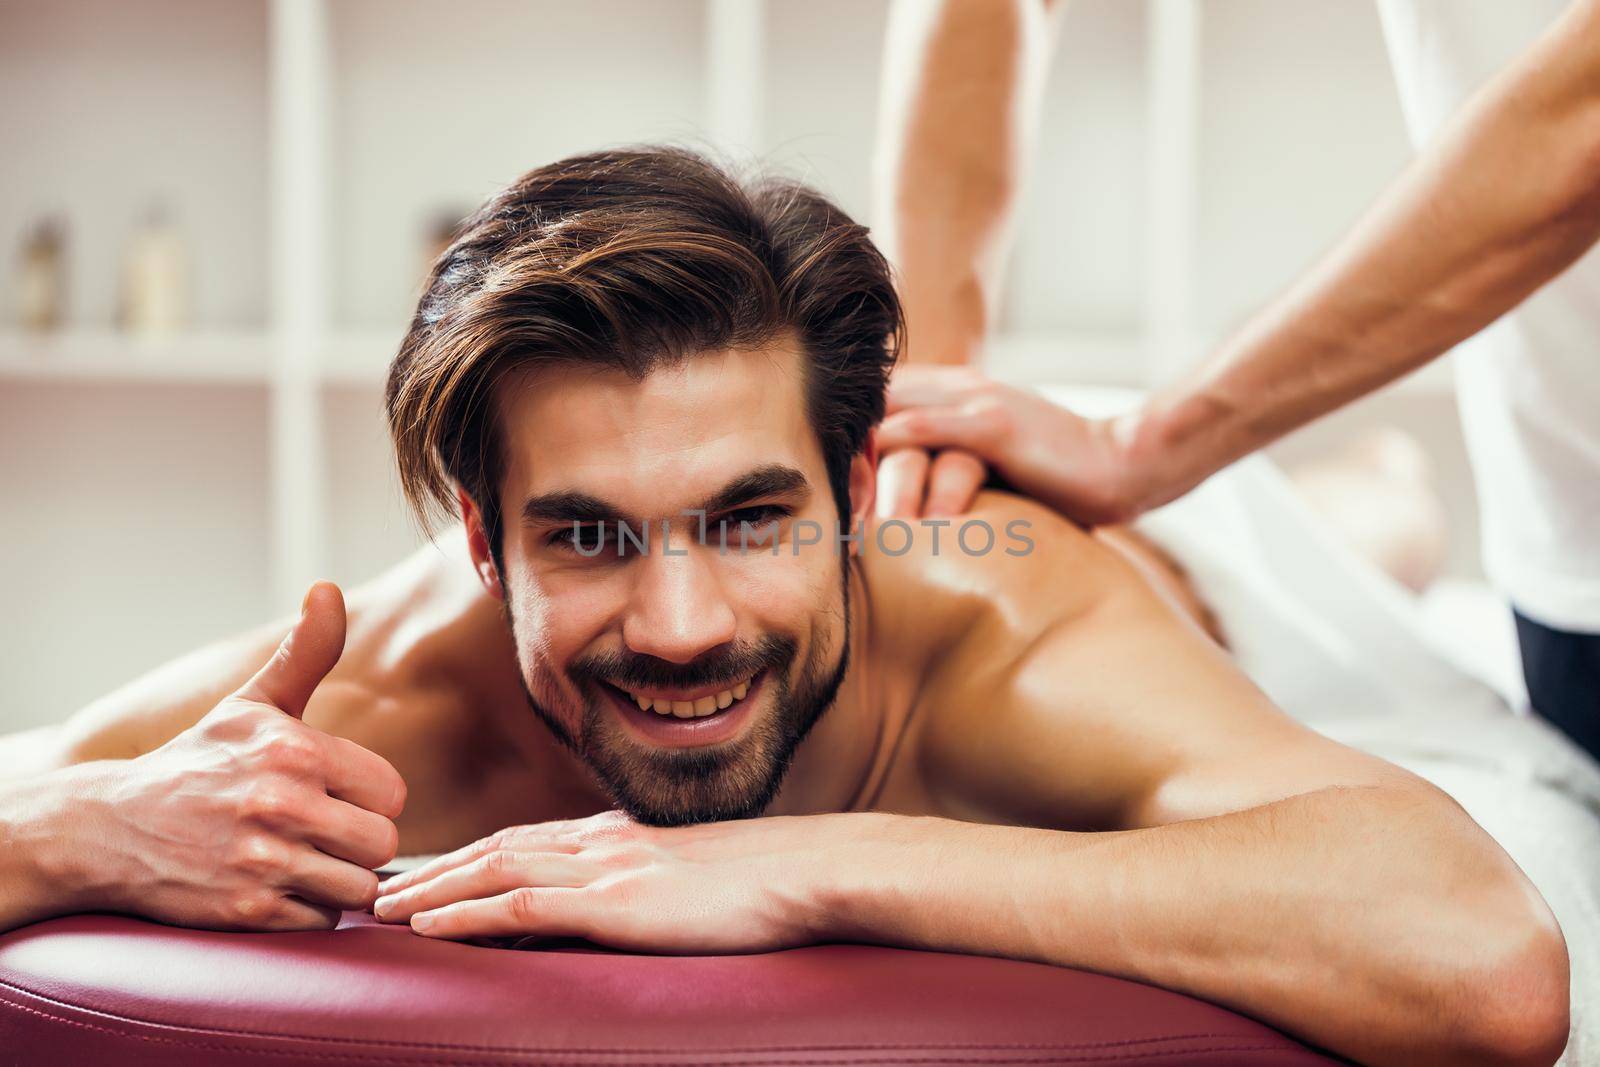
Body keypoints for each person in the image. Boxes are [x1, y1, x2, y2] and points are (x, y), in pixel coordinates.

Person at [0, 149, 1568, 1067]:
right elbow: (42, 785)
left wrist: (801, 864)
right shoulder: (374, 698)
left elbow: (1486, 959)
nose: (681, 622)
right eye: (592, 535)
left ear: (855, 487)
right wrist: (77, 826)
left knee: (1377, 538)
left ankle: (1371, 502)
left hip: (1225, 580)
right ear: (482, 540)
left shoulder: (1010, 644)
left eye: (751, 518)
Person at [870, 0, 1600, 760]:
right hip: (1563, 524)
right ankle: (1383, 472)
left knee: (1359, 531)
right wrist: (922, 412)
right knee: (1335, 538)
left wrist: (1137, 449)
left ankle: (1387, 471)